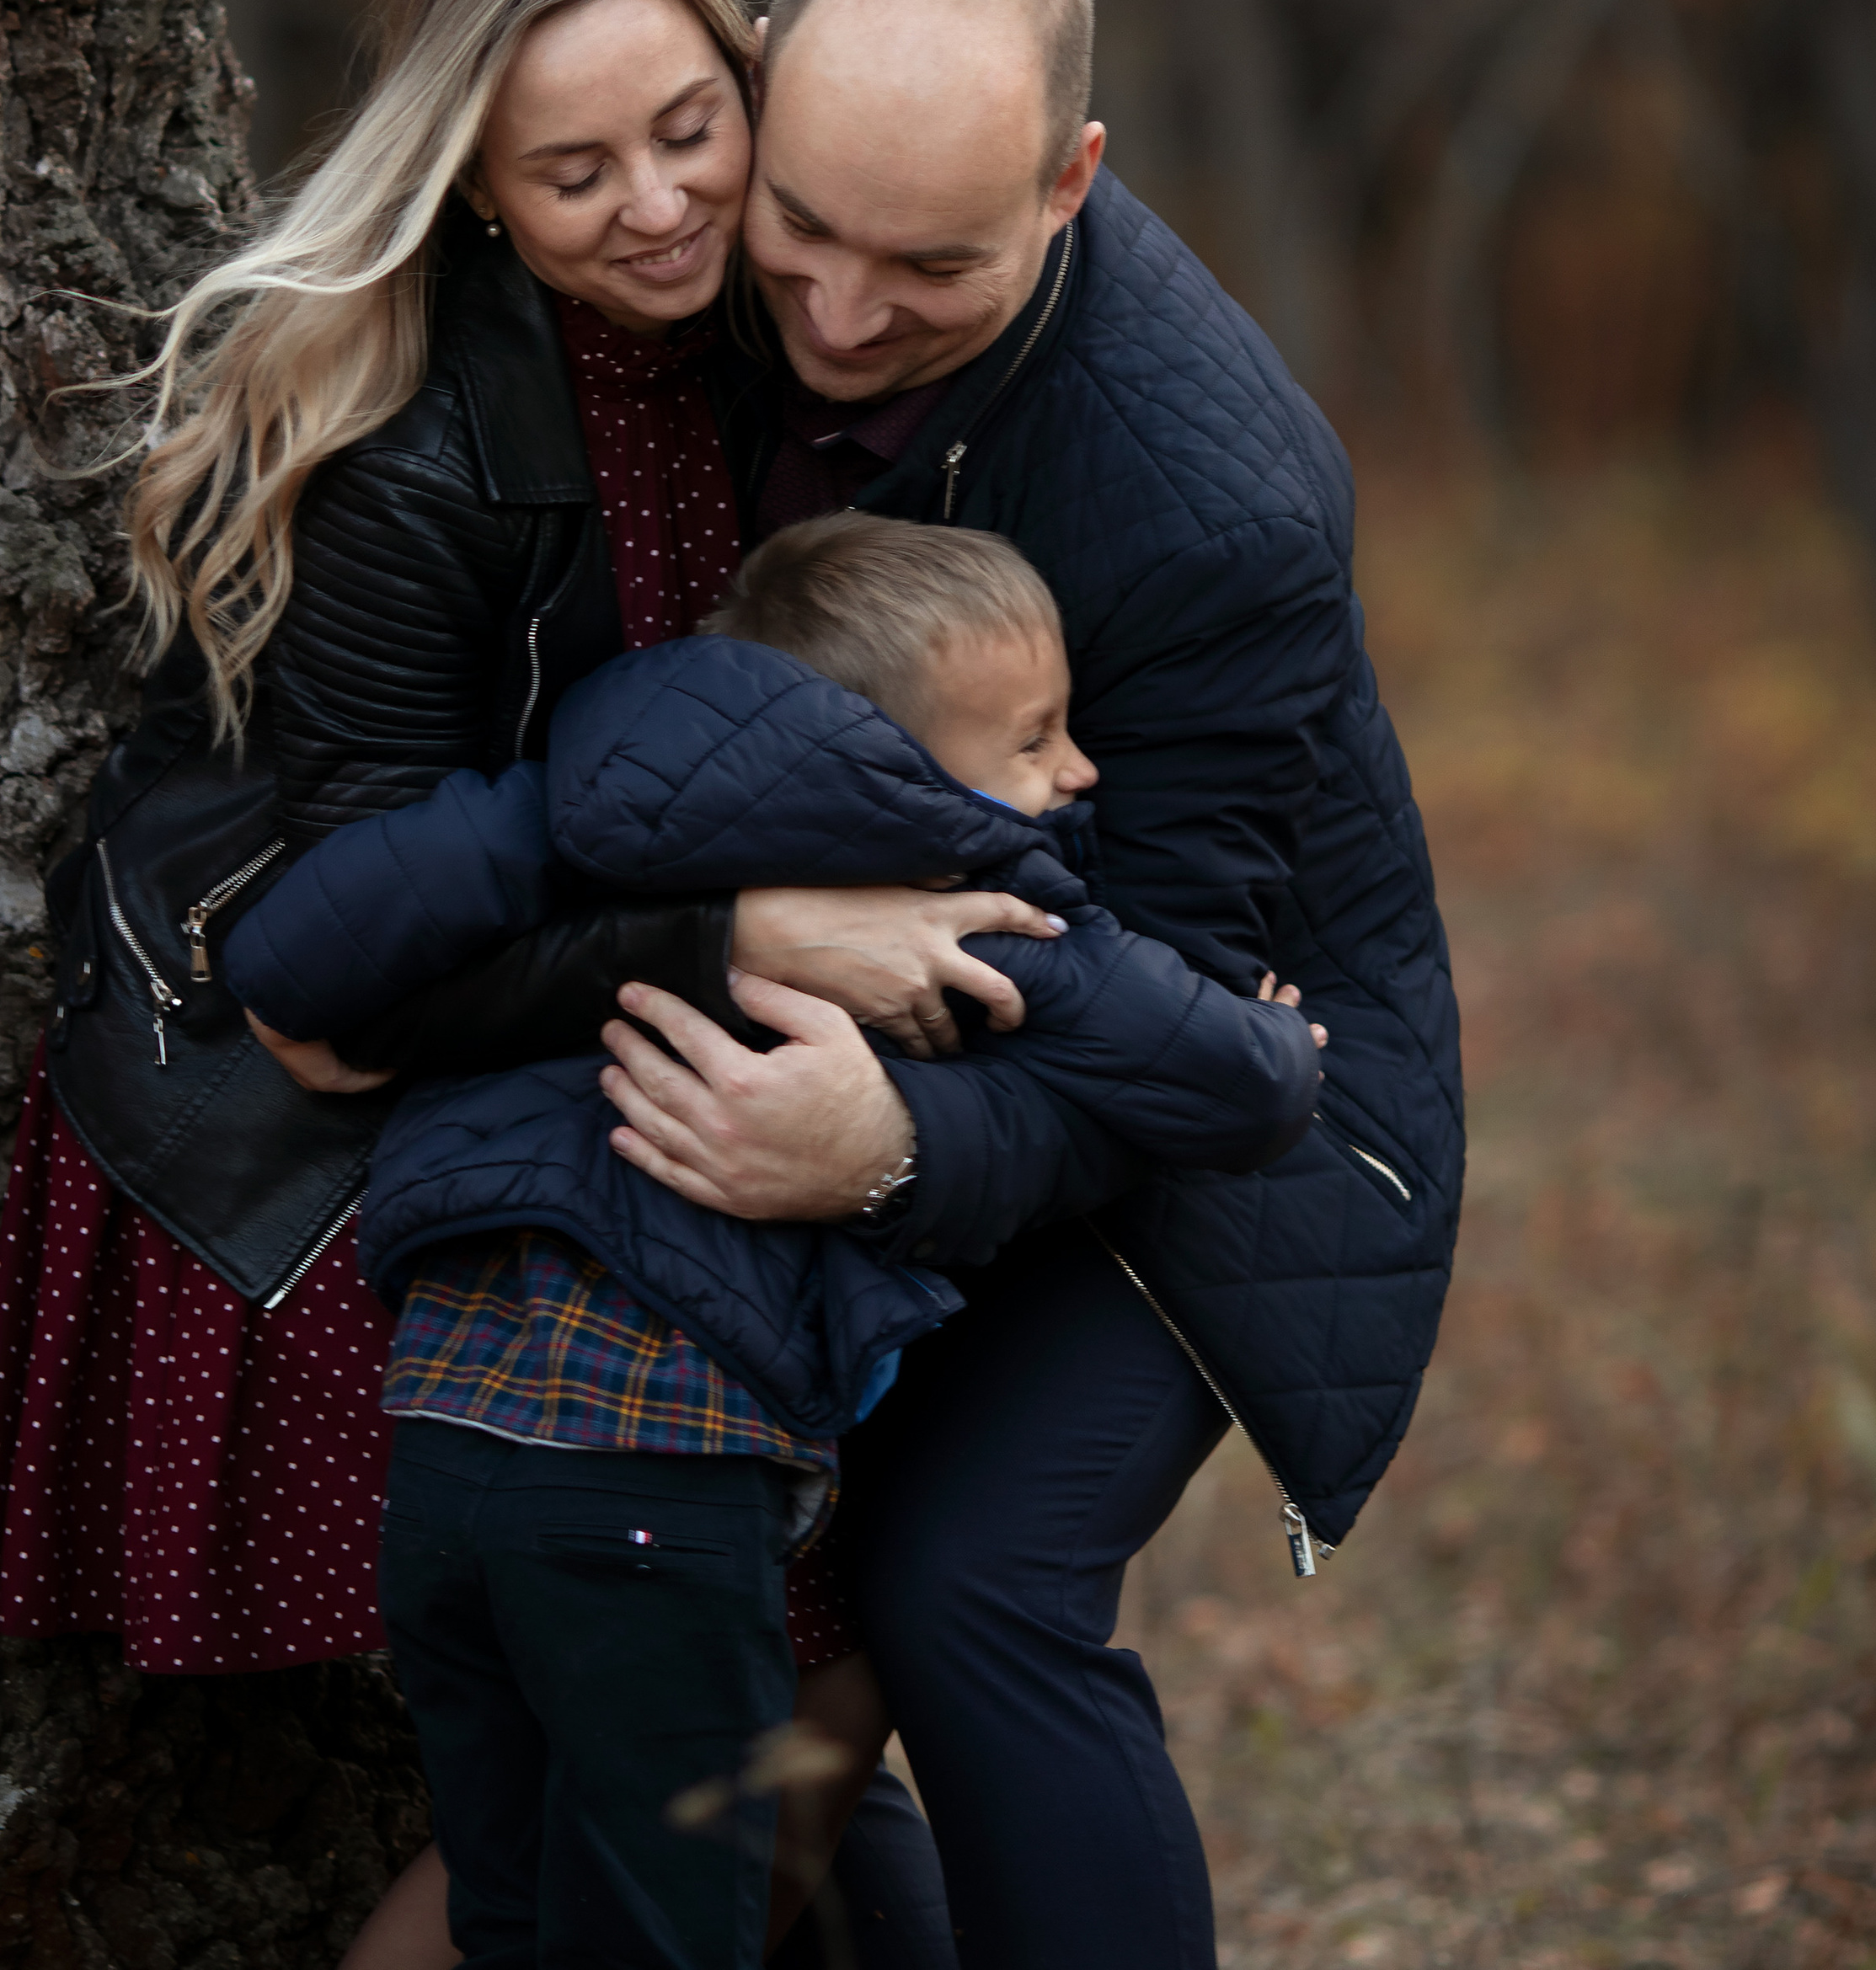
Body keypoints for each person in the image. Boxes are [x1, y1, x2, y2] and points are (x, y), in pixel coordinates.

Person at [0, 0, 1035, 1970]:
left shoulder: (767, 338)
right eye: (571, 171)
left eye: (687, 129)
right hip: (304, 1140)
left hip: (544, 1082)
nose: (653, 203)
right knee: (720, 1716)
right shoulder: (417, 451)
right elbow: (355, 973)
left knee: (771, 1715)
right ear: (472, 190)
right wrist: (738, 948)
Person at [568, 0, 1465, 1970]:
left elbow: (1150, 1027)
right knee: (675, 1584)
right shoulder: (664, 242)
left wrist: (875, 1152)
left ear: (1070, 181)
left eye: (932, 266)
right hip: (863, 1011)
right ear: (755, 100)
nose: (841, 313)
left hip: (1226, 1113)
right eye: (803, 226)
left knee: (958, 1579)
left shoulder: (1211, 501)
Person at [221, 511, 1324, 1968]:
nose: (1078, 772)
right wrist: (1280, 1037)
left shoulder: (568, 795)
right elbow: (1229, 1089)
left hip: (434, 1468)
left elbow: (282, 964)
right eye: (1037, 735)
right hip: (651, 1484)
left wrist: (551, 835)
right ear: (891, 759)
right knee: (668, 1927)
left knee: (510, 1905)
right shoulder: (950, 883)